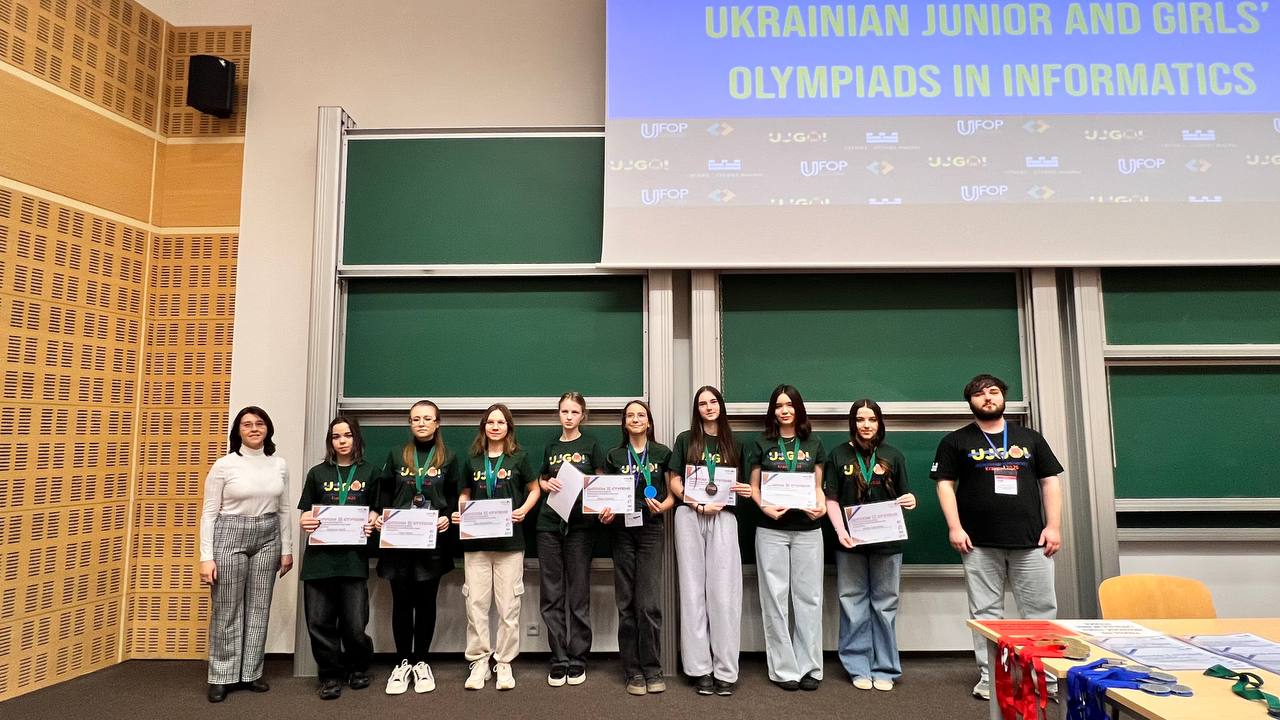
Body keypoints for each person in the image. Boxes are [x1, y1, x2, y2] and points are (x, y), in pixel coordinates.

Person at [931, 374, 1063, 701]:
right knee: (986, 615)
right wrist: (954, 527)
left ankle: (1044, 680)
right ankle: (991, 679)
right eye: (979, 394)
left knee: (1040, 613)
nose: (987, 398)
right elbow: (944, 485)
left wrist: (1054, 526)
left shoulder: (1030, 438)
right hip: (977, 543)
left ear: (1003, 397)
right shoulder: (955, 441)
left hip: (1032, 542)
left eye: (993, 392)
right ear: (970, 402)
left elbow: (1050, 481)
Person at [198, 406, 293, 703]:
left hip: (268, 535)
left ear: (268, 429)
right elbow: (209, 513)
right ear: (238, 431)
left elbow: (284, 510)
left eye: (259, 423)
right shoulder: (224, 465)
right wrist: (206, 556)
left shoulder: (279, 465)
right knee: (227, 608)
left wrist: (287, 549)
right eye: (247, 424)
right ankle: (222, 676)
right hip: (230, 534)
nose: (254, 428)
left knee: (259, 607)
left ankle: (251, 672)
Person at [825, 399, 917, 692]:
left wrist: (911, 500)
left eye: (872, 419)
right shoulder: (838, 454)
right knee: (852, 603)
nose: (866, 425)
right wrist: (840, 531)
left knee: (885, 605)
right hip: (849, 542)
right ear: (852, 423)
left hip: (887, 542)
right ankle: (857, 666)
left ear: (879, 422)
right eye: (860, 419)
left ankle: (885, 668)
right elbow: (830, 499)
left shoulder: (894, 455)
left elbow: (905, 495)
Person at [667, 385, 751, 696]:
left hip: (724, 516)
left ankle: (726, 670)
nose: (708, 407)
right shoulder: (685, 439)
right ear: (697, 409)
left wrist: (744, 490)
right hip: (690, 514)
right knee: (692, 592)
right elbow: (673, 480)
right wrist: (697, 503)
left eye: (713, 401)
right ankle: (699, 668)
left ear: (720, 405)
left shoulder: (735, 443)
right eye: (702, 403)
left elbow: (743, 484)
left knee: (724, 595)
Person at [451, 404, 541, 691]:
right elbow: (465, 493)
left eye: (501, 422)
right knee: (476, 604)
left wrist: (524, 510)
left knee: (508, 606)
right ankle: (479, 661)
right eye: (490, 422)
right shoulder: (473, 460)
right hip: (477, 543)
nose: (495, 427)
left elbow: (535, 489)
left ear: (508, 427)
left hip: (510, 543)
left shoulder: (519, 458)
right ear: (484, 427)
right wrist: (461, 512)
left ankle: (504, 661)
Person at [372, 400, 459, 695]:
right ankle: (402, 664)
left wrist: (448, 516)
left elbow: (455, 495)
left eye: (427, 418)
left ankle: (421, 662)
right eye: (416, 419)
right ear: (410, 423)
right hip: (398, 541)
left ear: (437, 423)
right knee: (401, 602)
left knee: (425, 602)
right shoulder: (397, 454)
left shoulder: (449, 456)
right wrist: (379, 517)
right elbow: (384, 493)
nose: (421, 423)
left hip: (432, 541)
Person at [748, 384, 827, 692]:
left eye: (789, 405)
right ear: (773, 411)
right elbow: (754, 487)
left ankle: (810, 668)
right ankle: (784, 670)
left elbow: (818, 487)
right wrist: (763, 506)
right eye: (779, 405)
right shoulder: (761, 443)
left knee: (809, 599)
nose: (784, 410)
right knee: (775, 599)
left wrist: (821, 505)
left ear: (798, 408)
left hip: (808, 530)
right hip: (771, 530)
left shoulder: (814, 443)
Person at [297, 416, 380, 699]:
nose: (342, 441)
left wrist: (373, 519)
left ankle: (357, 668)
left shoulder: (370, 472)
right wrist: (305, 521)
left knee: (354, 625)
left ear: (356, 438)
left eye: (347, 435)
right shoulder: (317, 473)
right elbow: (306, 513)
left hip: (353, 560)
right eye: (336, 436)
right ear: (330, 441)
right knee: (319, 623)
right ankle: (330, 675)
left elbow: (376, 510)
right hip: (319, 561)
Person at [598, 400, 674, 695]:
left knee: (649, 603)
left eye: (641, 415)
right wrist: (605, 513)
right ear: (624, 423)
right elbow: (604, 496)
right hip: (621, 531)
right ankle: (632, 671)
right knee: (626, 602)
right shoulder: (614, 456)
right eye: (630, 415)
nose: (635, 419)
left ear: (649, 422)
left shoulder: (662, 453)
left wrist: (663, 507)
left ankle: (653, 669)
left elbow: (672, 493)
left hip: (651, 529)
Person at [535, 392, 605, 687]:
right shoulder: (551, 446)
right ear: (558, 414)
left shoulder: (592, 445)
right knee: (552, 594)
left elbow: (601, 482)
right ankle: (559, 658)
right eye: (564, 411)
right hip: (549, 525)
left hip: (581, 527)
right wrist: (545, 483)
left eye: (574, 412)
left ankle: (578, 657)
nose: (568, 416)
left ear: (582, 416)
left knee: (578, 593)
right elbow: (540, 479)